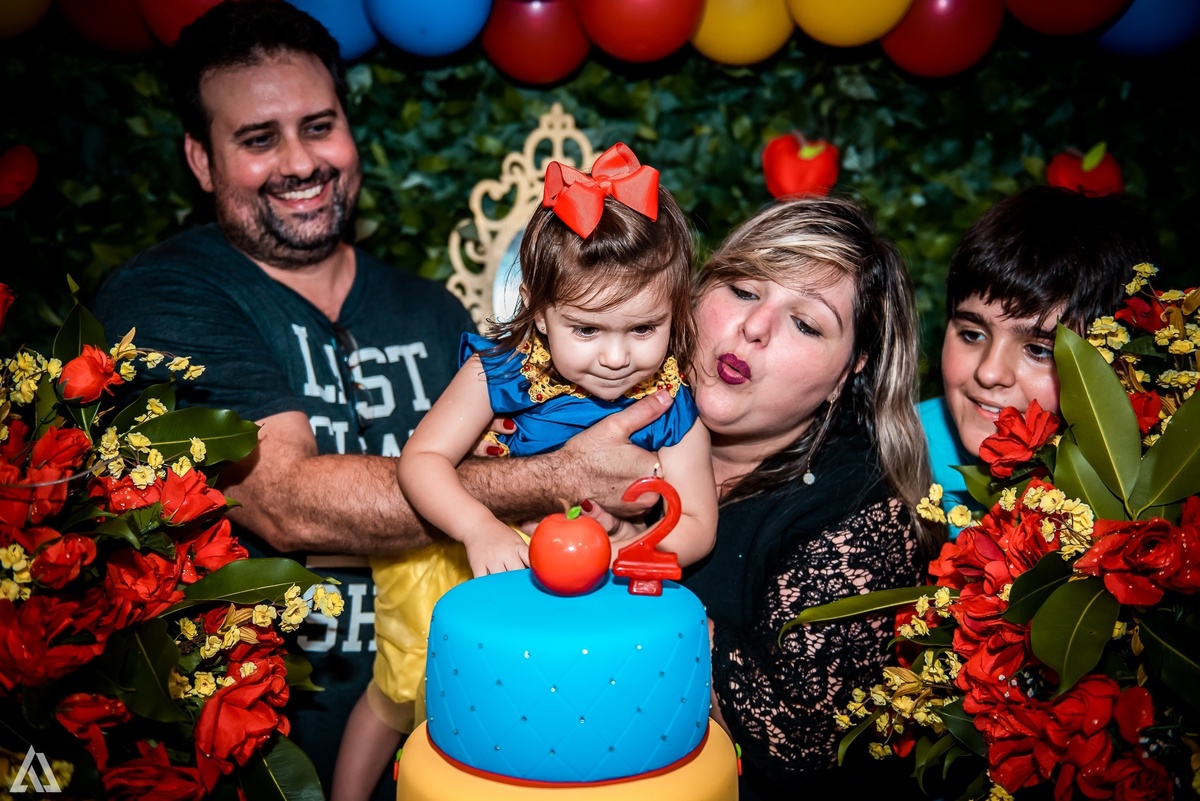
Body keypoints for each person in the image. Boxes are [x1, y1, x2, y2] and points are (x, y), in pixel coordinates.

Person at [88, 3, 662, 798]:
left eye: (319, 126)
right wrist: (561, 475)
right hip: (253, 759)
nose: (301, 161)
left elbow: (530, 467)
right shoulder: (165, 295)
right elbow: (287, 501)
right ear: (201, 159)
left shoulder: (428, 310)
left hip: (457, 733)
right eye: (258, 139)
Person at [332, 142, 719, 801]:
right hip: (479, 563)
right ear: (540, 311)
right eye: (588, 330)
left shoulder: (672, 397)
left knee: (554, 734)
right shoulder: (504, 368)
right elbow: (421, 463)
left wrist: (638, 551)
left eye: (644, 327)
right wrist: (478, 526)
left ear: (676, 313)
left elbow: (700, 519)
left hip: (598, 588)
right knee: (402, 692)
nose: (618, 356)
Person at [585, 195, 938, 799]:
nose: (754, 327)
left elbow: (797, 739)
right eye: (745, 290)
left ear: (851, 371)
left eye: (807, 323)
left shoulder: (859, 515)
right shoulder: (600, 396)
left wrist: (630, 575)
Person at [919, 185, 1161, 534]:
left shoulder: (1157, 485)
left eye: (1039, 350)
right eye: (972, 334)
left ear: (1117, 369)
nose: (989, 372)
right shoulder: (890, 456)